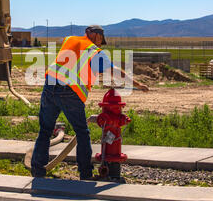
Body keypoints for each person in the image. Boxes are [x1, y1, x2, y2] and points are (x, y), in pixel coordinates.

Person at [30, 25, 149, 179]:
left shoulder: (70, 39)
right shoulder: (94, 51)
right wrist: (138, 84)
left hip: (50, 87)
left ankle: (38, 172)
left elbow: (65, 45)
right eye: (100, 40)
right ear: (96, 36)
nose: (100, 43)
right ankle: (85, 173)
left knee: (45, 131)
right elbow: (114, 71)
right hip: (70, 93)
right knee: (82, 133)